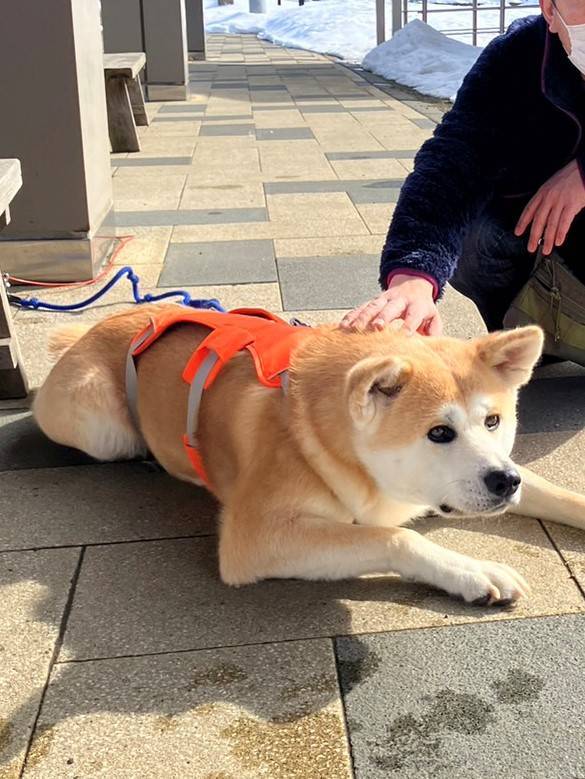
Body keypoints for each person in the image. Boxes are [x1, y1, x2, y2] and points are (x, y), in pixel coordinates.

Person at [342, 0, 585, 339]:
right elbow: (454, 159)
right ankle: (532, 327)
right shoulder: (518, 56)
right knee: (476, 232)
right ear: (549, 10)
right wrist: (413, 275)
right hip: (544, 247)